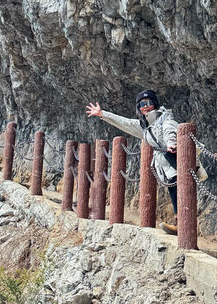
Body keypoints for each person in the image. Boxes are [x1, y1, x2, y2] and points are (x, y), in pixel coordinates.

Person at [86, 89, 207, 235]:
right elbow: (126, 123)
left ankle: (184, 228)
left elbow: (170, 130)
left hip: (178, 158)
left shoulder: (165, 117)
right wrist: (103, 114)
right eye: (142, 104)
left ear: (154, 103)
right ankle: (181, 225)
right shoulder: (145, 125)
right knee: (175, 191)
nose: (146, 106)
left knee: (181, 191)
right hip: (168, 165)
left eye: (149, 103)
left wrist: (171, 143)